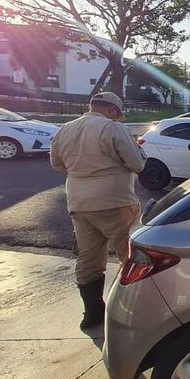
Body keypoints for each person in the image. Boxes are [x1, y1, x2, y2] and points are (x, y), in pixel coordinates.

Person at [50, 92, 147, 330]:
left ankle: (92, 312)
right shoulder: (112, 128)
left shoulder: (65, 129)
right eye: (118, 114)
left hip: (79, 203)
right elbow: (138, 164)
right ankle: (135, 311)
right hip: (115, 201)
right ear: (113, 110)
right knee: (133, 256)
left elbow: (56, 164)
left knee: (89, 259)